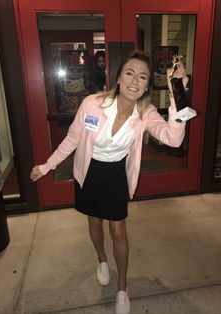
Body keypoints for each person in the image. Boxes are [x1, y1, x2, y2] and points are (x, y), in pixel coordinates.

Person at [30, 50, 187, 314]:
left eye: (142, 77)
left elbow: (173, 139)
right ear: (117, 78)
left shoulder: (145, 113)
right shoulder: (93, 104)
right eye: (129, 73)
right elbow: (72, 139)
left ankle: (122, 287)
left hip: (115, 175)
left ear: (148, 85)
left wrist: (176, 96)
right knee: (94, 221)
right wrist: (47, 166)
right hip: (88, 172)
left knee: (118, 232)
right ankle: (101, 260)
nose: (134, 81)